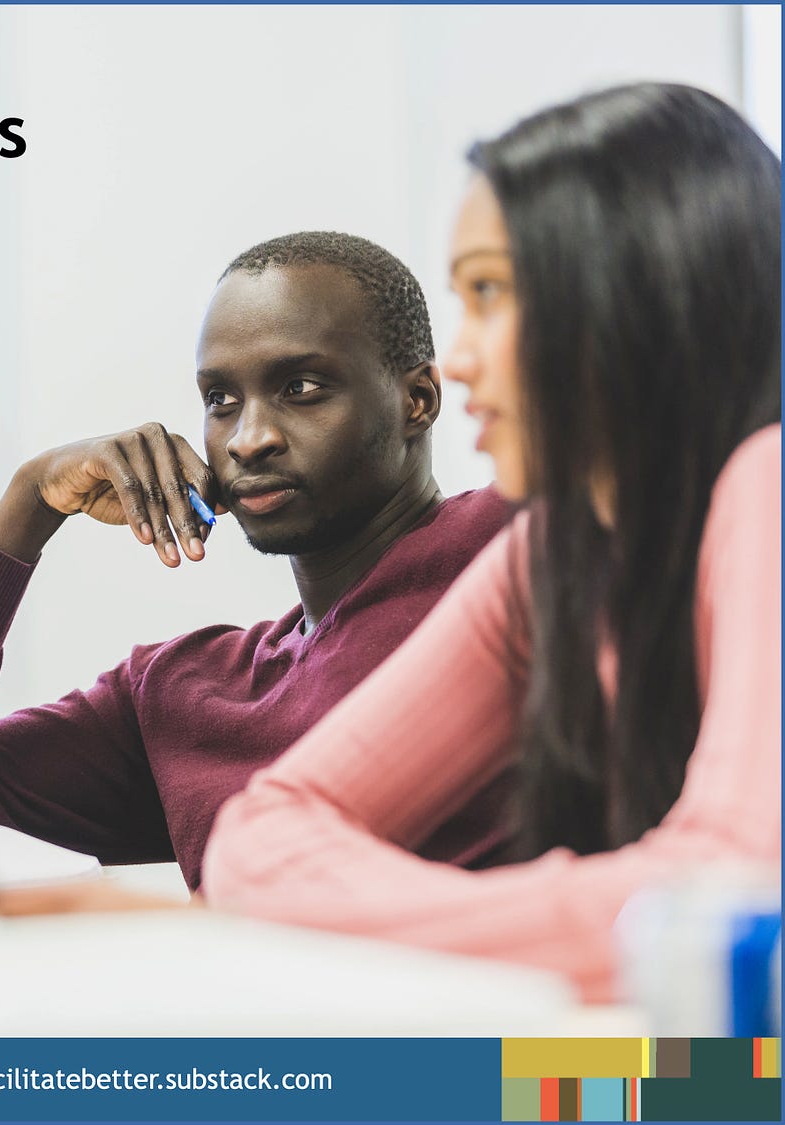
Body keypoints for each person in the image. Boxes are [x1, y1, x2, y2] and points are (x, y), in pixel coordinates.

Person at [199, 84, 781, 1000]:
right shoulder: (553, 552)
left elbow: (732, 892)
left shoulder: (769, 480)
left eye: (493, 292)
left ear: (635, 289)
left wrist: (358, 918)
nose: (460, 357)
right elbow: (264, 832)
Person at [0, 232, 513, 889]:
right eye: (221, 399)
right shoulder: (184, 693)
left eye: (301, 388)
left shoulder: (516, 544)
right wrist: (25, 509)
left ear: (417, 400)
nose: (249, 438)